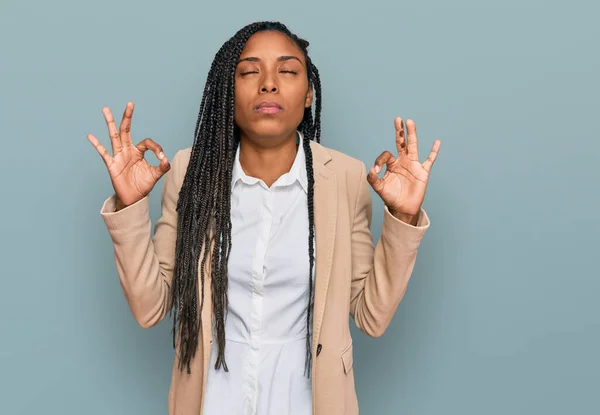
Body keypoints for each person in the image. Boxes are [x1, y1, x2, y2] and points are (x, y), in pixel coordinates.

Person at [88, 21, 440, 415]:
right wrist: (130, 207)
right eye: (250, 71)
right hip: (211, 401)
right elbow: (150, 308)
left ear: (308, 94)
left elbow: (371, 315)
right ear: (228, 91)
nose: (268, 84)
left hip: (308, 402)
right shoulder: (192, 173)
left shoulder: (345, 176)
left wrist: (404, 216)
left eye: (287, 71)